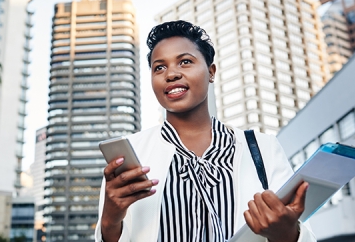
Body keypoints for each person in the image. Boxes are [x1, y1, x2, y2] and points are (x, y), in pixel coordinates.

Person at [95, 20, 316, 242]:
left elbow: (297, 227)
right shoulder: (132, 153)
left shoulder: (262, 148)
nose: (171, 74)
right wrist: (109, 221)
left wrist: (288, 234)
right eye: (159, 67)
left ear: (211, 72)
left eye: (185, 62)